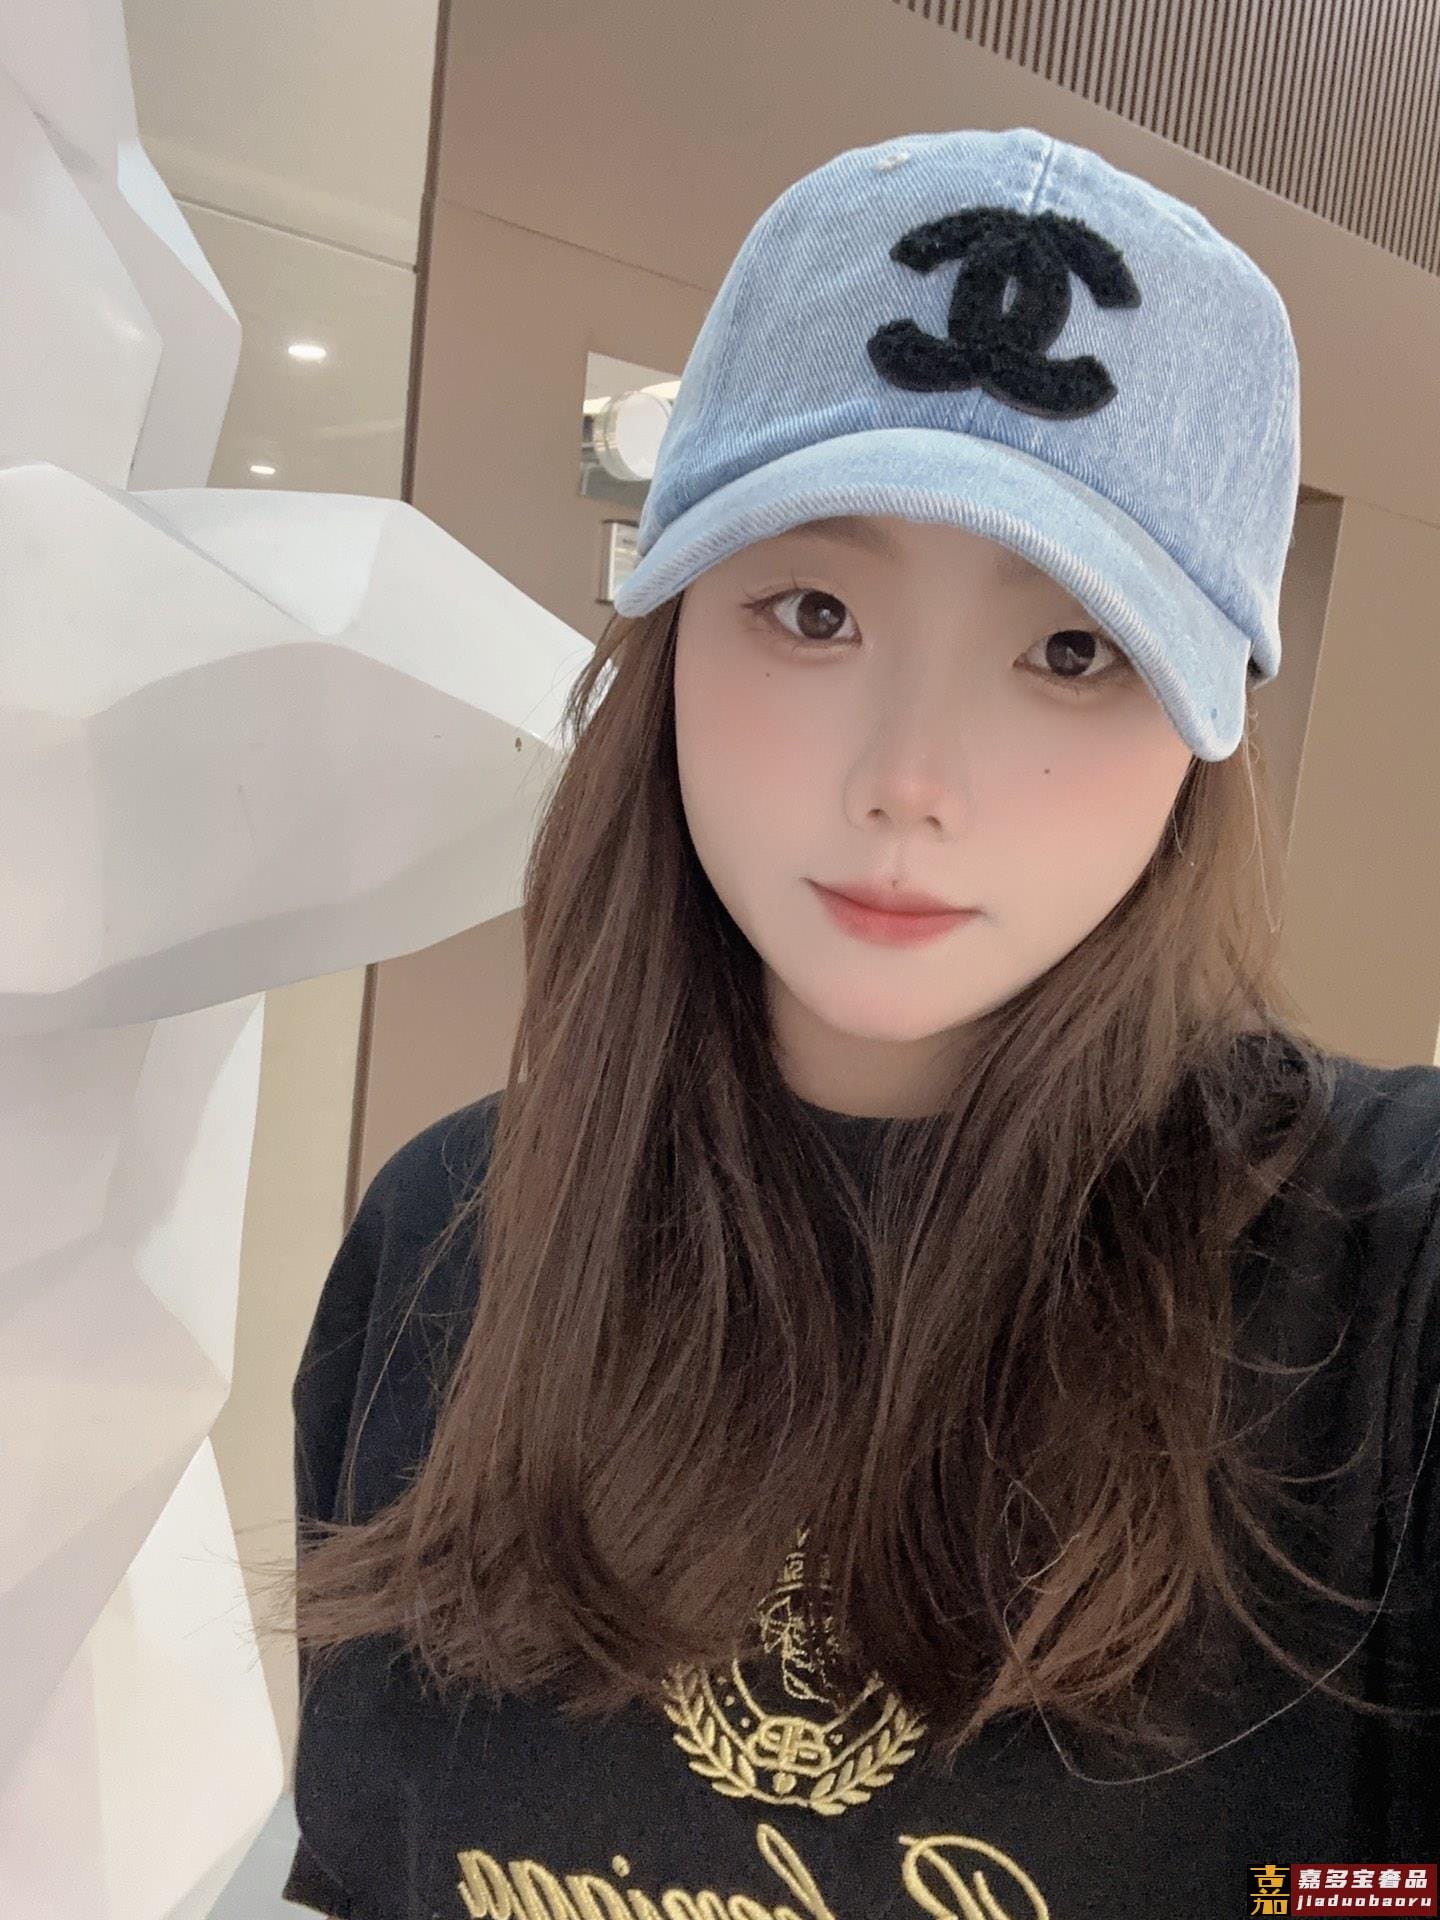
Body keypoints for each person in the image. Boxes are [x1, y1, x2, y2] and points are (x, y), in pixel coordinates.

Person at [260, 128, 1440, 1918]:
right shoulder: (448, 1239)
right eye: (813, 611)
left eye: (1073, 651)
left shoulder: (1383, 1282)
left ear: (1206, 733)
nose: (911, 780)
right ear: (670, 637)